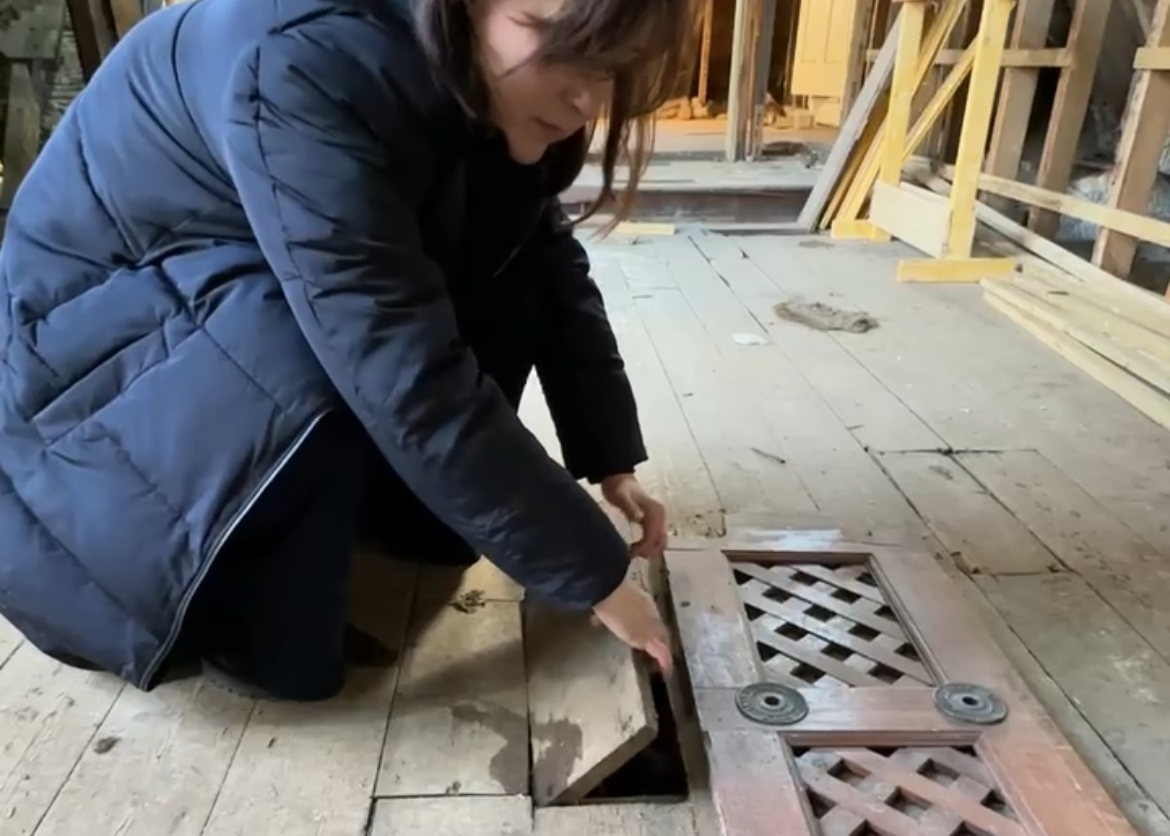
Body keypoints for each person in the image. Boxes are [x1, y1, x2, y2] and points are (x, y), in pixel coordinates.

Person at [0, 0, 698, 701]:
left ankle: (397, 521)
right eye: (555, 40)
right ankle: (241, 627)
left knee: (495, 276)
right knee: (331, 350)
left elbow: (544, 262)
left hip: (222, 287)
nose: (584, 97)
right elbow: (399, 367)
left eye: (608, 65)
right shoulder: (306, 63)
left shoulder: (469, 66)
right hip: (87, 353)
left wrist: (610, 454)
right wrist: (597, 573)